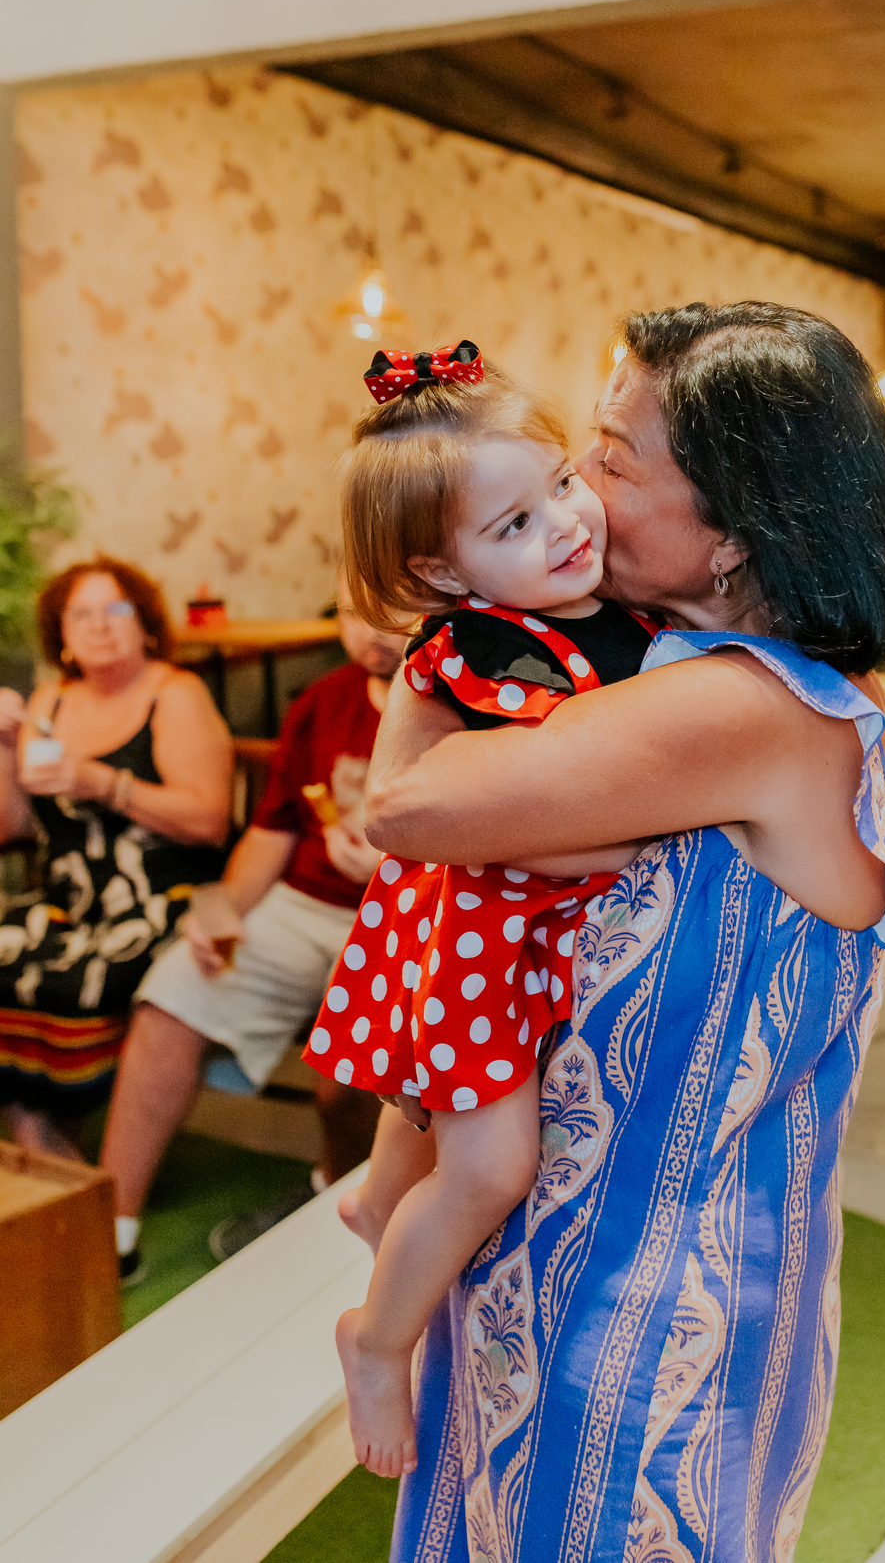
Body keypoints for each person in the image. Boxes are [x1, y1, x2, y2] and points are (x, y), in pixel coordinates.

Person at [363, 303, 885, 1562]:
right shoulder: (749, 672)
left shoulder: (730, 707)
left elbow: (408, 812)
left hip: (632, 1323)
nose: (580, 498)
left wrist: (417, 679)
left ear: (735, 529)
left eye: (612, 462)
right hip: (631, 1277)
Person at [301, 341, 658, 1478]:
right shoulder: (479, 652)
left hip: (508, 935)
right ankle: (377, 1333)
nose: (562, 524)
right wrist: (673, 835)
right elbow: (529, 833)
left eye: (560, 482)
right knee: (492, 1162)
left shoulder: (613, 607)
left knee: (430, 1122)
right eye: (511, 526)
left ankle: (379, 1204)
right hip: (477, 939)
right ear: (445, 576)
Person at [99, 579, 409, 1282]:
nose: (370, 633)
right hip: (301, 907)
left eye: (389, 612)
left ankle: (339, 1198)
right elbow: (269, 835)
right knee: (171, 992)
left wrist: (397, 865)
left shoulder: (456, 704)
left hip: (404, 913)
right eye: (354, 613)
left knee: (352, 1073)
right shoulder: (320, 702)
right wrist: (217, 913)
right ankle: (111, 1235)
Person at [0, 559, 230, 1162]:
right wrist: (2, 747)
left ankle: (57, 1145)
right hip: (69, 902)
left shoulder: (175, 695)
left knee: (84, 973)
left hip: (167, 899)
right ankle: (39, 1136)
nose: (100, 626)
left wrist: (101, 782)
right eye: (82, 614)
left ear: (146, 627)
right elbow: (13, 825)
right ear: (62, 636)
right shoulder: (48, 702)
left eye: (117, 610)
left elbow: (209, 822)